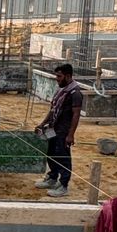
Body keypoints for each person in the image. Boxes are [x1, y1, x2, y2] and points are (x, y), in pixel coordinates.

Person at [34, 63, 82, 197]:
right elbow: (53, 110)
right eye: (56, 76)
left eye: (59, 76)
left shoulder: (75, 93)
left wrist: (71, 135)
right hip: (53, 128)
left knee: (63, 156)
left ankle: (63, 185)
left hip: (64, 131)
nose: (57, 79)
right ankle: (52, 178)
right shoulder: (61, 90)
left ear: (68, 76)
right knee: (51, 153)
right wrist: (43, 124)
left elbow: (76, 115)